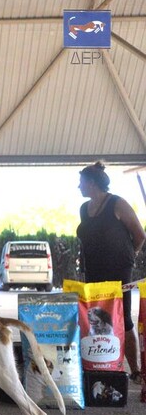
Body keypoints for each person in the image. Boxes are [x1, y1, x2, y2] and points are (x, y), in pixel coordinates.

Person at [76, 161, 145, 384]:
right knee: (97, 317)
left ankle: (135, 370)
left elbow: (140, 235)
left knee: (123, 318)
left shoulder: (117, 203)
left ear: (92, 183)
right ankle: (103, 365)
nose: (79, 187)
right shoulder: (84, 209)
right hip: (93, 270)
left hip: (118, 270)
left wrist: (130, 255)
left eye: (81, 182)